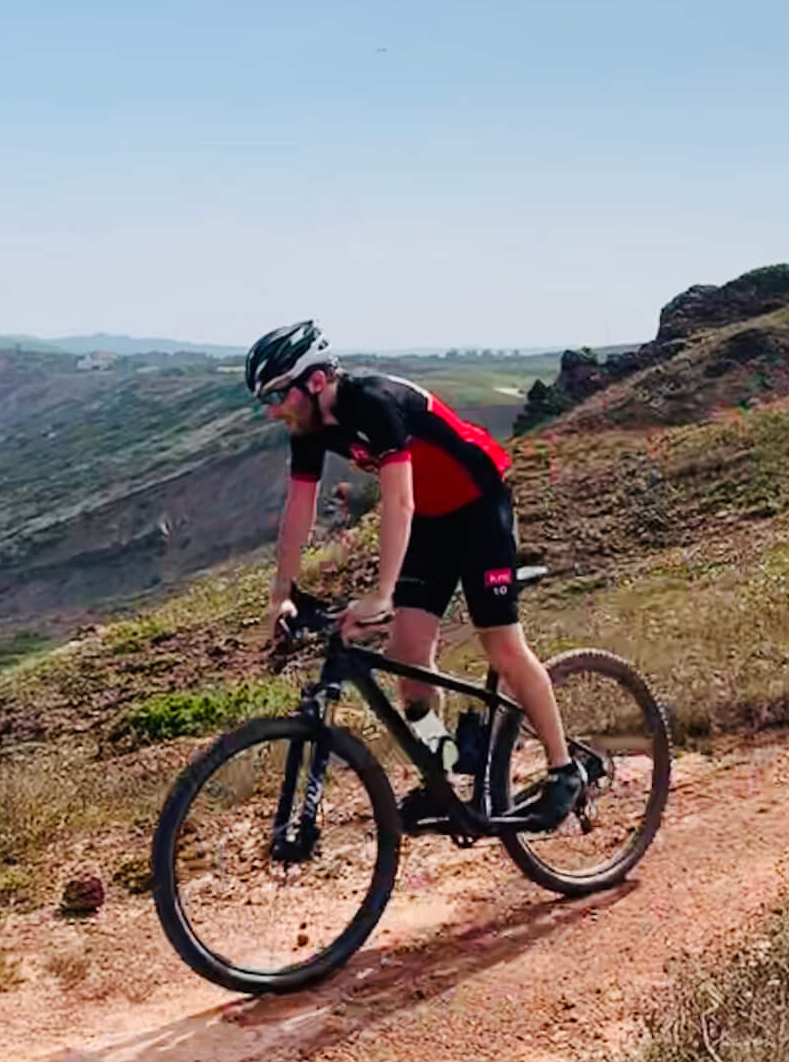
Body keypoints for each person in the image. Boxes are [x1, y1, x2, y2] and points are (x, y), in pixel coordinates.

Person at [244, 321, 583, 830]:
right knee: (407, 658)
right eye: (263, 400)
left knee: (503, 647)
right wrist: (281, 594)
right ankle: (443, 773)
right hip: (430, 521)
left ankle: (564, 770)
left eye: (275, 394)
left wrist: (382, 594)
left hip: (479, 506)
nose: (272, 410)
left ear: (314, 381)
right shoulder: (310, 428)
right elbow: (299, 508)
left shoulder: (374, 402)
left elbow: (397, 499)